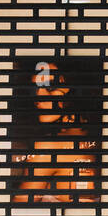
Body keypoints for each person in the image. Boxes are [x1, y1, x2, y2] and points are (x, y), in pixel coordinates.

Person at [12, 60, 98, 204]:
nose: (39, 96)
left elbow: (18, 211)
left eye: (50, 86)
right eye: (35, 88)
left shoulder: (48, 147)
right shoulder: (98, 140)